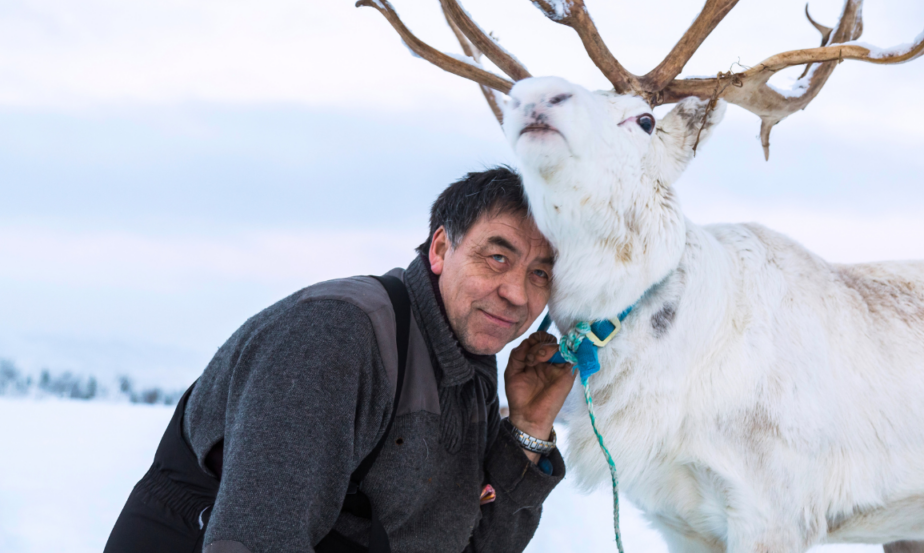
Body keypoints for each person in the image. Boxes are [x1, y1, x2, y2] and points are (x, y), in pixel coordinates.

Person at [104, 167, 575, 553]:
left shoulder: (468, 369)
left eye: (539, 273)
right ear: (440, 249)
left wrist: (527, 431)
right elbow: (255, 540)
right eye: (497, 258)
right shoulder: (336, 335)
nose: (517, 294)